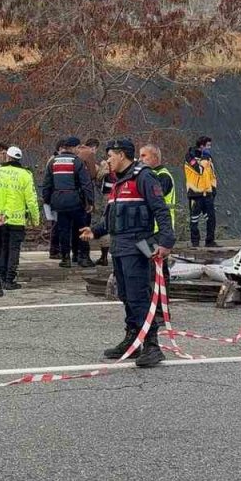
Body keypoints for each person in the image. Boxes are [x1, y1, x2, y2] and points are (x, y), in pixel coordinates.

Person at [80, 138, 175, 367]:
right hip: (120, 247)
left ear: (121, 155)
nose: (108, 160)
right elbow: (111, 218)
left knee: (138, 296)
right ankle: (132, 340)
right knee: (125, 295)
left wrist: (166, 240)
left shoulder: (143, 177)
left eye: (111, 155)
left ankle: (152, 346)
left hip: (137, 246)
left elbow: (160, 209)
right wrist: (94, 231)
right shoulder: (118, 183)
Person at [0, 146, 41, 295]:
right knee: (14, 249)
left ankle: (0, 278)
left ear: (7, 157)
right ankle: (10, 280)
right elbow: (31, 199)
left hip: (1, 218)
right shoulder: (25, 174)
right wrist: (35, 219)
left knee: (2, 248)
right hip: (17, 219)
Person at [42, 136, 95, 268]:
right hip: (75, 201)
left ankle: (65, 258)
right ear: (74, 148)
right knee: (82, 229)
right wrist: (90, 201)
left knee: (63, 230)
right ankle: (83, 257)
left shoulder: (53, 161)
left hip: (59, 202)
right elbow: (85, 183)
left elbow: (47, 184)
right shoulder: (77, 162)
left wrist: (47, 200)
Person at [139, 143, 177, 281]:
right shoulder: (151, 175)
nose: (140, 159)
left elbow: (154, 200)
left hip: (158, 229)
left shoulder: (162, 176)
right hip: (151, 229)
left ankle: (160, 299)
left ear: (155, 157)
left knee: (157, 267)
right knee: (151, 266)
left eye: (144, 155)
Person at [184, 136, 218, 248]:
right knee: (194, 219)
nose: (209, 148)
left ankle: (210, 241)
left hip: (207, 193)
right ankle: (195, 243)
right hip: (195, 193)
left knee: (211, 218)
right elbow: (200, 170)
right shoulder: (190, 157)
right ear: (201, 146)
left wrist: (213, 190)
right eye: (208, 145)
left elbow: (212, 175)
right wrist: (204, 159)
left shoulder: (208, 158)